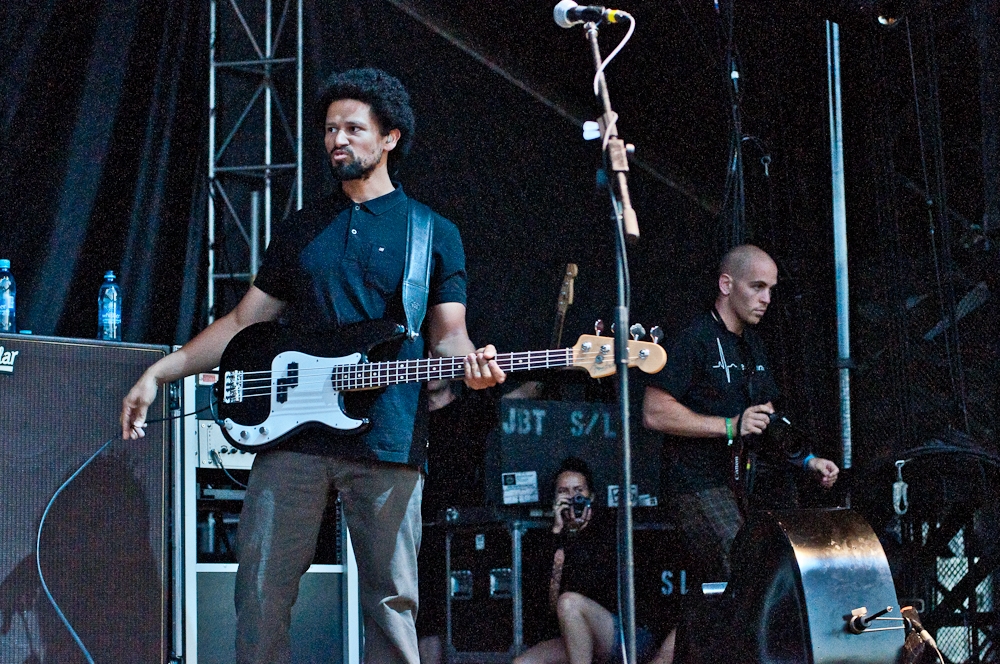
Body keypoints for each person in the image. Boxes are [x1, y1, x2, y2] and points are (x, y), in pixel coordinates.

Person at [121, 68, 504, 664]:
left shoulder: (433, 232)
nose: (338, 140)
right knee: (260, 590)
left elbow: (449, 336)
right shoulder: (304, 226)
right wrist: (162, 371)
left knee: (391, 602)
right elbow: (246, 321)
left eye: (354, 128)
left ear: (390, 139)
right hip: (293, 435)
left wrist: (471, 367)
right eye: (330, 129)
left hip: (388, 437)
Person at [641, 244, 839, 662]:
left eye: (772, 289)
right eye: (758, 287)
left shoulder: (752, 347)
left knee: (745, 585)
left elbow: (765, 425)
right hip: (694, 485)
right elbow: (654, 412)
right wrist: (729, 425)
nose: (767, 298)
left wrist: (807, 461)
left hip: (739, 486)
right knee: (747, 572)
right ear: (726, 285)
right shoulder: (694, 338)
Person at [514, 457, 660, 664]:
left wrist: (576, 535)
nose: (572, 497)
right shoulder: (549, 537)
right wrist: (558, 532)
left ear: (591, 496)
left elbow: (595, 587)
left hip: (625, 634)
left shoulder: (608, 528)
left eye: (578, 491)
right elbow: (542, 600)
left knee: (569, 603)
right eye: (563, 491)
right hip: (573, 632)